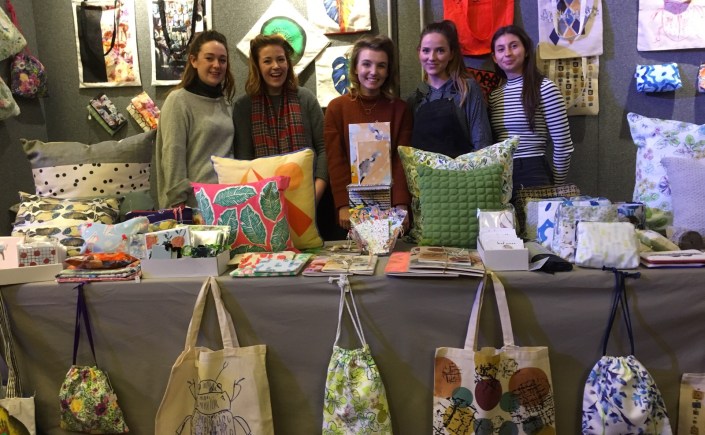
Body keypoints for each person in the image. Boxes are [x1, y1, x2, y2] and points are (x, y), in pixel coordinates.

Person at [324, 34, 412, 231]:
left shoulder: (400, 109)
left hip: (390, 204)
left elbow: (402, 160)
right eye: (366, 64)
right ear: (355, 67)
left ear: (388, 71)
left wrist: (401, 203)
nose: (373, 72)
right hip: (351, 207)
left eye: (381, 65)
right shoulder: (337, 108)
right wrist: (343, 205)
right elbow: (336, 161)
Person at [233, 34, 328, 204]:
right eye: (267, 61)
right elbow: (244, 160)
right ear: (257, 66)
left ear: (288, 63)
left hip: (309, 198)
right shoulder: (243, 107)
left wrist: (314, 195)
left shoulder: (306, 98)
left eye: (281, 59)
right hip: (263, 202)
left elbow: (324, 148)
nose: (276, 66)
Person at [154, 30, 236, 208]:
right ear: (193, 60)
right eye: (209, 58)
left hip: (226, 202)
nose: (217, 65)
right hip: (193, 205)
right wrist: (178, 203)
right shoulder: (178, 101)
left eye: (222, 60)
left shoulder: (226, 103)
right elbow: (172, 155)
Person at [489, 25, 573, 188]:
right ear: (494, 57)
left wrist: (556, 186)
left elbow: (563, 146)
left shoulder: (545, 88)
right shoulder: (494, 96)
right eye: (500, 49)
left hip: (533, 172)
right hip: (500, 174)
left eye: (514, 46)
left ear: (526, 50)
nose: (507, 53)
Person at [407, 20, 492, 157]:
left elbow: (482, 144)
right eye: (426, 50)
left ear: (451, 54)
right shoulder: (414, 99)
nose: (432, 57)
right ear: (419, 53)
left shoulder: (466, 89)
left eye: (440, 50)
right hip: (425, 171)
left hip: (465, 169)